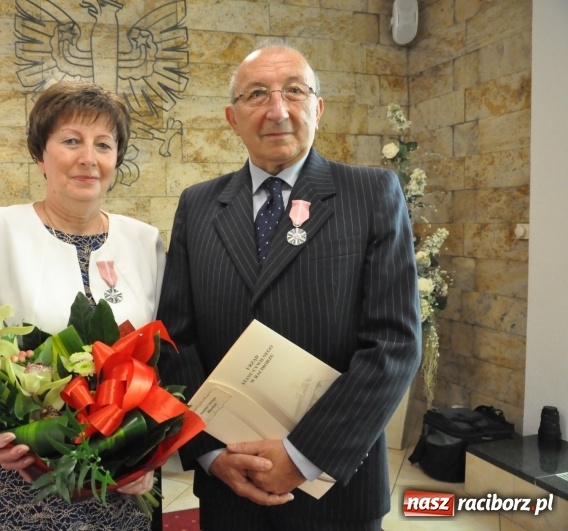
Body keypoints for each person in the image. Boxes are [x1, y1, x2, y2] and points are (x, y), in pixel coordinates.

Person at [157, 38, 421, 531]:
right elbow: (176, 338)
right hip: (230, 482)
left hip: (335, 488)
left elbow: (394, 343)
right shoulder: (198, 206)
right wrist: (211, 453)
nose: (277, 110)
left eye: (294, 91)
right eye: (257, 94)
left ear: (318, 108)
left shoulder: (371, 194)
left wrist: (303, 456)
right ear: (232, 119)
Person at [0, 81, 165, 531]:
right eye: (72, 140)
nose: (88, 157)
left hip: (121, 482)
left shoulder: (145, 241)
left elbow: (162, 358)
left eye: (103, 145)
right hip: (24, 474)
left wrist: (152, 455)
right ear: (41, 154)